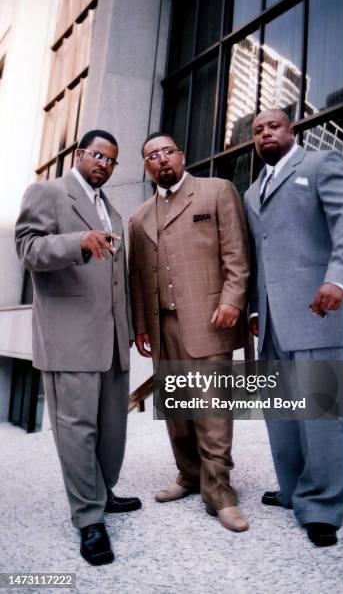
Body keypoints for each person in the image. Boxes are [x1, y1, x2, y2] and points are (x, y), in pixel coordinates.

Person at [15, 130, 141, 566]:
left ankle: (104, 494)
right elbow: (27, 248)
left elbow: (118, 280)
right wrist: (77, 244)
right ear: (80, 154)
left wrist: (129, 329)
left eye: (112, 159)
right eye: (98, 155)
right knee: (76, 430)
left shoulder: (112, 211)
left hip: (111, 341)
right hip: (69, 338)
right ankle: (89, 520)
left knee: (112, 428)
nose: (104, 163)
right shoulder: (48, 193)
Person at [244, 109, 343, 546]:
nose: (265, 134)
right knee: (281, 413)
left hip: (318, 308)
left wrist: (338, 279)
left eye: (273, 126)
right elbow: (262, 255)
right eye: (257, 131)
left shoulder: (320, 164)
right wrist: (257, 308)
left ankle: (324, 507)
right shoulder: (252, 191)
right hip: (273, 320)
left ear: (291, 130)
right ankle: (295, 490)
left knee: (322, 413)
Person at [128, 131, 250, 532]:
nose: (161, 159)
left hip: (209, 318)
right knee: (178, 411)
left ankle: (220, 493)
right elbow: (137, 278)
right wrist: (143, 327)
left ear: (182, 155)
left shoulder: (217, 191)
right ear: (146, 166)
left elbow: (237, 252)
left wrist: (232, 300)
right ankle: (189, 474)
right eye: (152, 156)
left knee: (212, 409)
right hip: (163, 326)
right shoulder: (140, 216)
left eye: (167, 151)